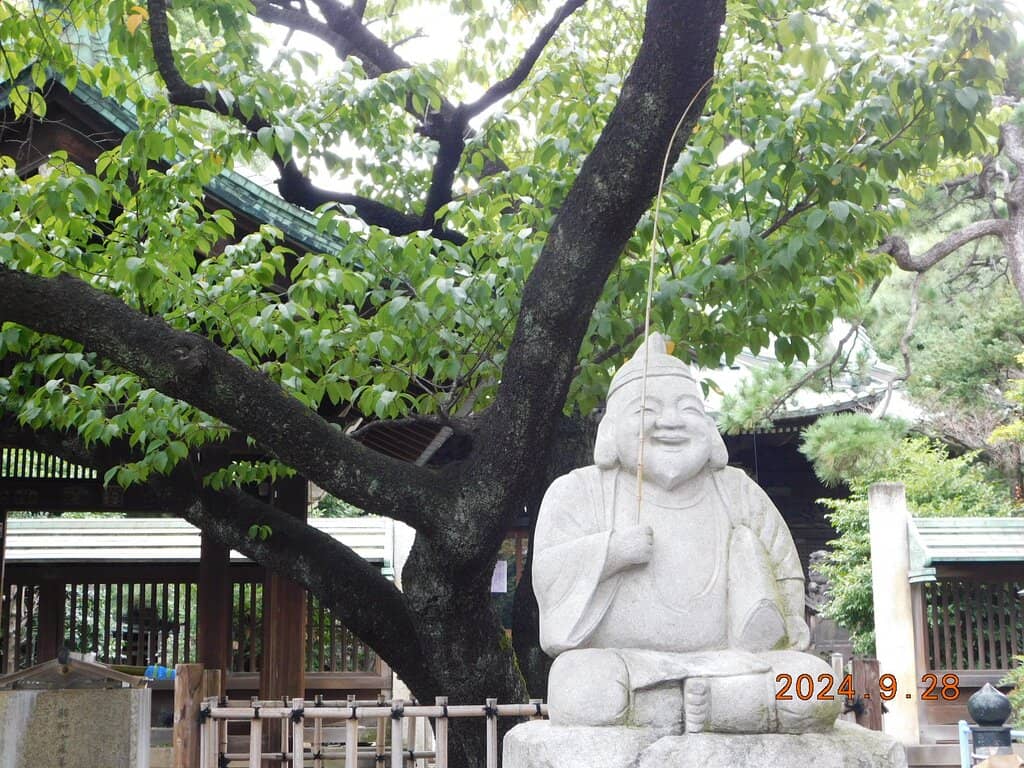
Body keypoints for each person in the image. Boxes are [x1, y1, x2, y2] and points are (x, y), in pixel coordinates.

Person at [533, 333, 841, 734]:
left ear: (710, 429)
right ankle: (713, 708)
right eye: (647, 409)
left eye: (687, 408)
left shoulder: (737, 491)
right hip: (626, 664)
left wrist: (771, 623)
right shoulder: (580, 491)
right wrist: (610, 551)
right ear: (610, 431)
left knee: (815, 687)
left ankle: (695, 708)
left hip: (735, 664)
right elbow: (548, 577)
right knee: (580, 688)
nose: (670, 422)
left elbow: (784, 569)